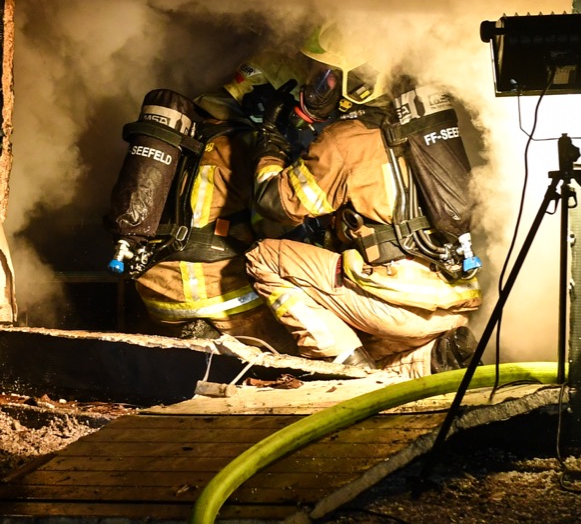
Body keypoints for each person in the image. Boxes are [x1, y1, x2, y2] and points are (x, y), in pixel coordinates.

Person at [245, 23, 482, 378]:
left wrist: (270, 147)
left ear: (358, 83)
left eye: (324, 79)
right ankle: (429, 359)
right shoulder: (422, 132)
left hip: (395, 306)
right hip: (453, 305)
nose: (314, 88)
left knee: (265, 257)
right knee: (358, 315)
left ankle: (344, 366)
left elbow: (278, 205)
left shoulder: (345, 139)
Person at [106, 50, 309, 350]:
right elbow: (275, 223)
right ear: (270, 102)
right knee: (299, 343)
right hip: (225, 298)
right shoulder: (253, 146)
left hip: (158, 297)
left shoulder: (176, 137)